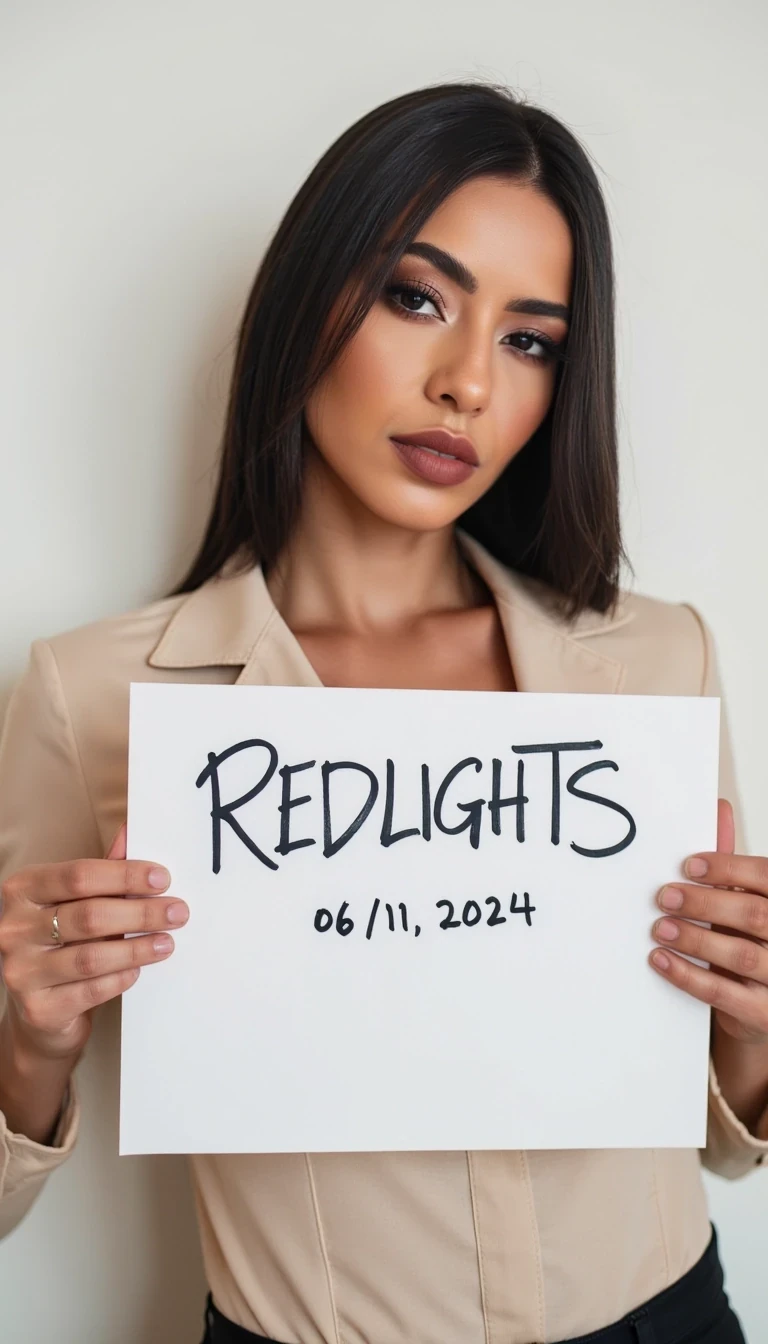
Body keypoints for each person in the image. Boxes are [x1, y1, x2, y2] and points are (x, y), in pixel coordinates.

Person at [0, 79, 766, 1344]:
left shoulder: (655, 663)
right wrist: (30, 1041)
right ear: (309, 303)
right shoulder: (96, 698)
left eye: (531, 340)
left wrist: (750, 1018)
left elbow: (728, 1146)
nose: (470, 383)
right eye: (418, 298)